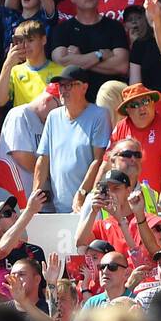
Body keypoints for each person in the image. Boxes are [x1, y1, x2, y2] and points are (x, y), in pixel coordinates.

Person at [34, 67, 112, 213]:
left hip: (88, 206)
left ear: (84, 87)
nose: (63, 90)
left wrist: (82, 194)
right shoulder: (53, 116)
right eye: (61, 86)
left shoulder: (99, 115)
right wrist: (35, 196)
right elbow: (43, 159)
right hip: (59, 207)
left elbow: (99, 160)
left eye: (69, 85)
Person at [49, 0, 131, 103]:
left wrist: (78, 59)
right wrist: (99, 55)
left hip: (109, 100)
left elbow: (121, 66)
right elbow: (60, 60)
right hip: (75, 101)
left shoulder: (114, 26)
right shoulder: (63, 29)